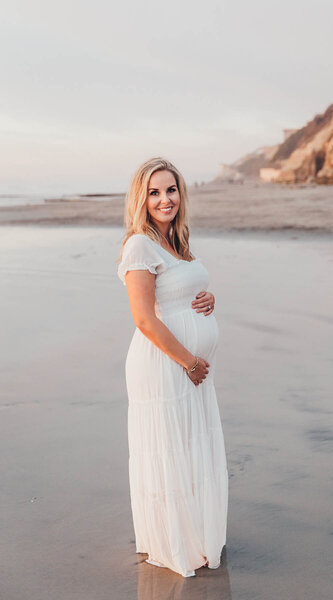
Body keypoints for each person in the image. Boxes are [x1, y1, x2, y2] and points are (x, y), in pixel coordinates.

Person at [116, 157, 229, 578]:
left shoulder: (176, 242)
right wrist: (188, 361)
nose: (165, 199)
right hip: (166, 365)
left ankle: (195, 534)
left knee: (190, 446)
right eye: (154, 192)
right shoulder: (139, 245)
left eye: (171, 189)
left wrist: (209, 299)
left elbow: (180, 295)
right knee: (169, 450)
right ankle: (173, 541)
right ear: (141, 199)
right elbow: (144, 318)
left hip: (191, 367)